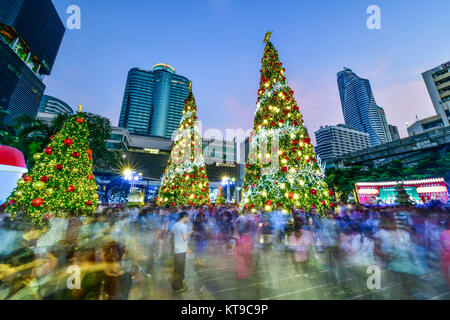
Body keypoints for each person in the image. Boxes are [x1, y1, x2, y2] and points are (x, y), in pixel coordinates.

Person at [172, 212, 192, 292]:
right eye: (187, 218)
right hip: (181, 250)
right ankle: (178, 287)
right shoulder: (183, 226)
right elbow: (185, 237)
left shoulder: (176, 224)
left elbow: (173, 232)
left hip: (176, 249)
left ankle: (176, 284)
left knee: (177, 269)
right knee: (180, 269)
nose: (187, 219)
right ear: (184, 217)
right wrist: (189, 233)